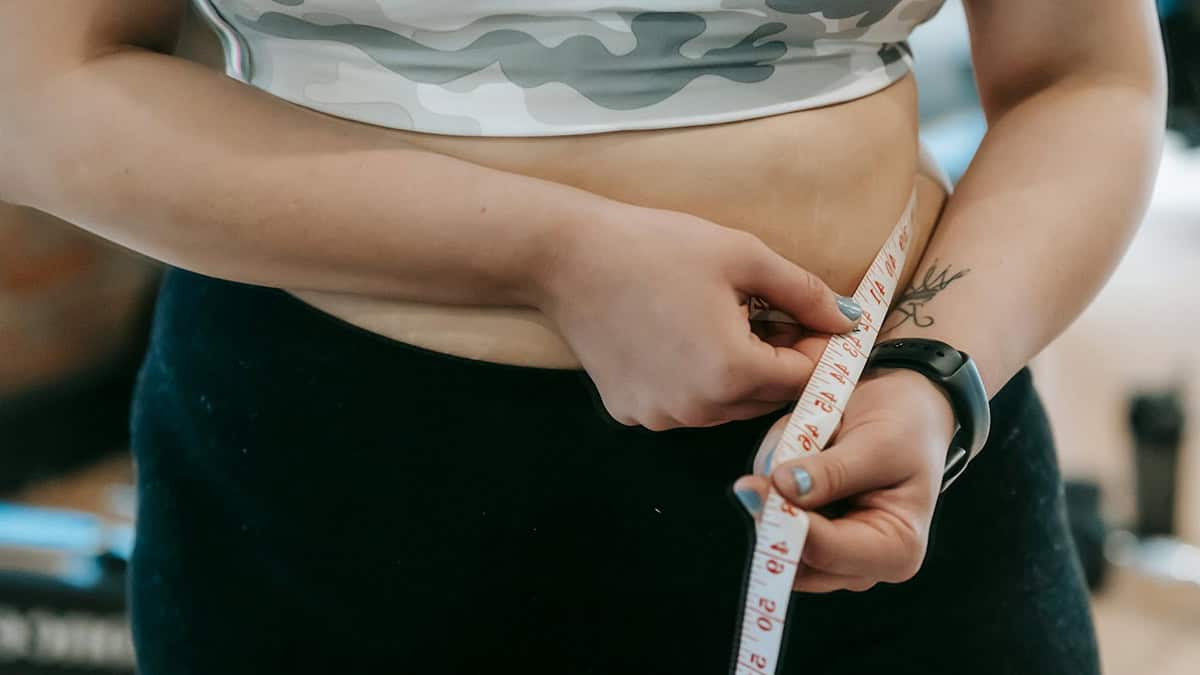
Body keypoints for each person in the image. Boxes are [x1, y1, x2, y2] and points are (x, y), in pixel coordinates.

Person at [0, 1, 1165, 673]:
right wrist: (550, 257)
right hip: (333, 484)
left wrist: (934, 373)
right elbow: (39, 88)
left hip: (881, 457)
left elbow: (1086, 77)